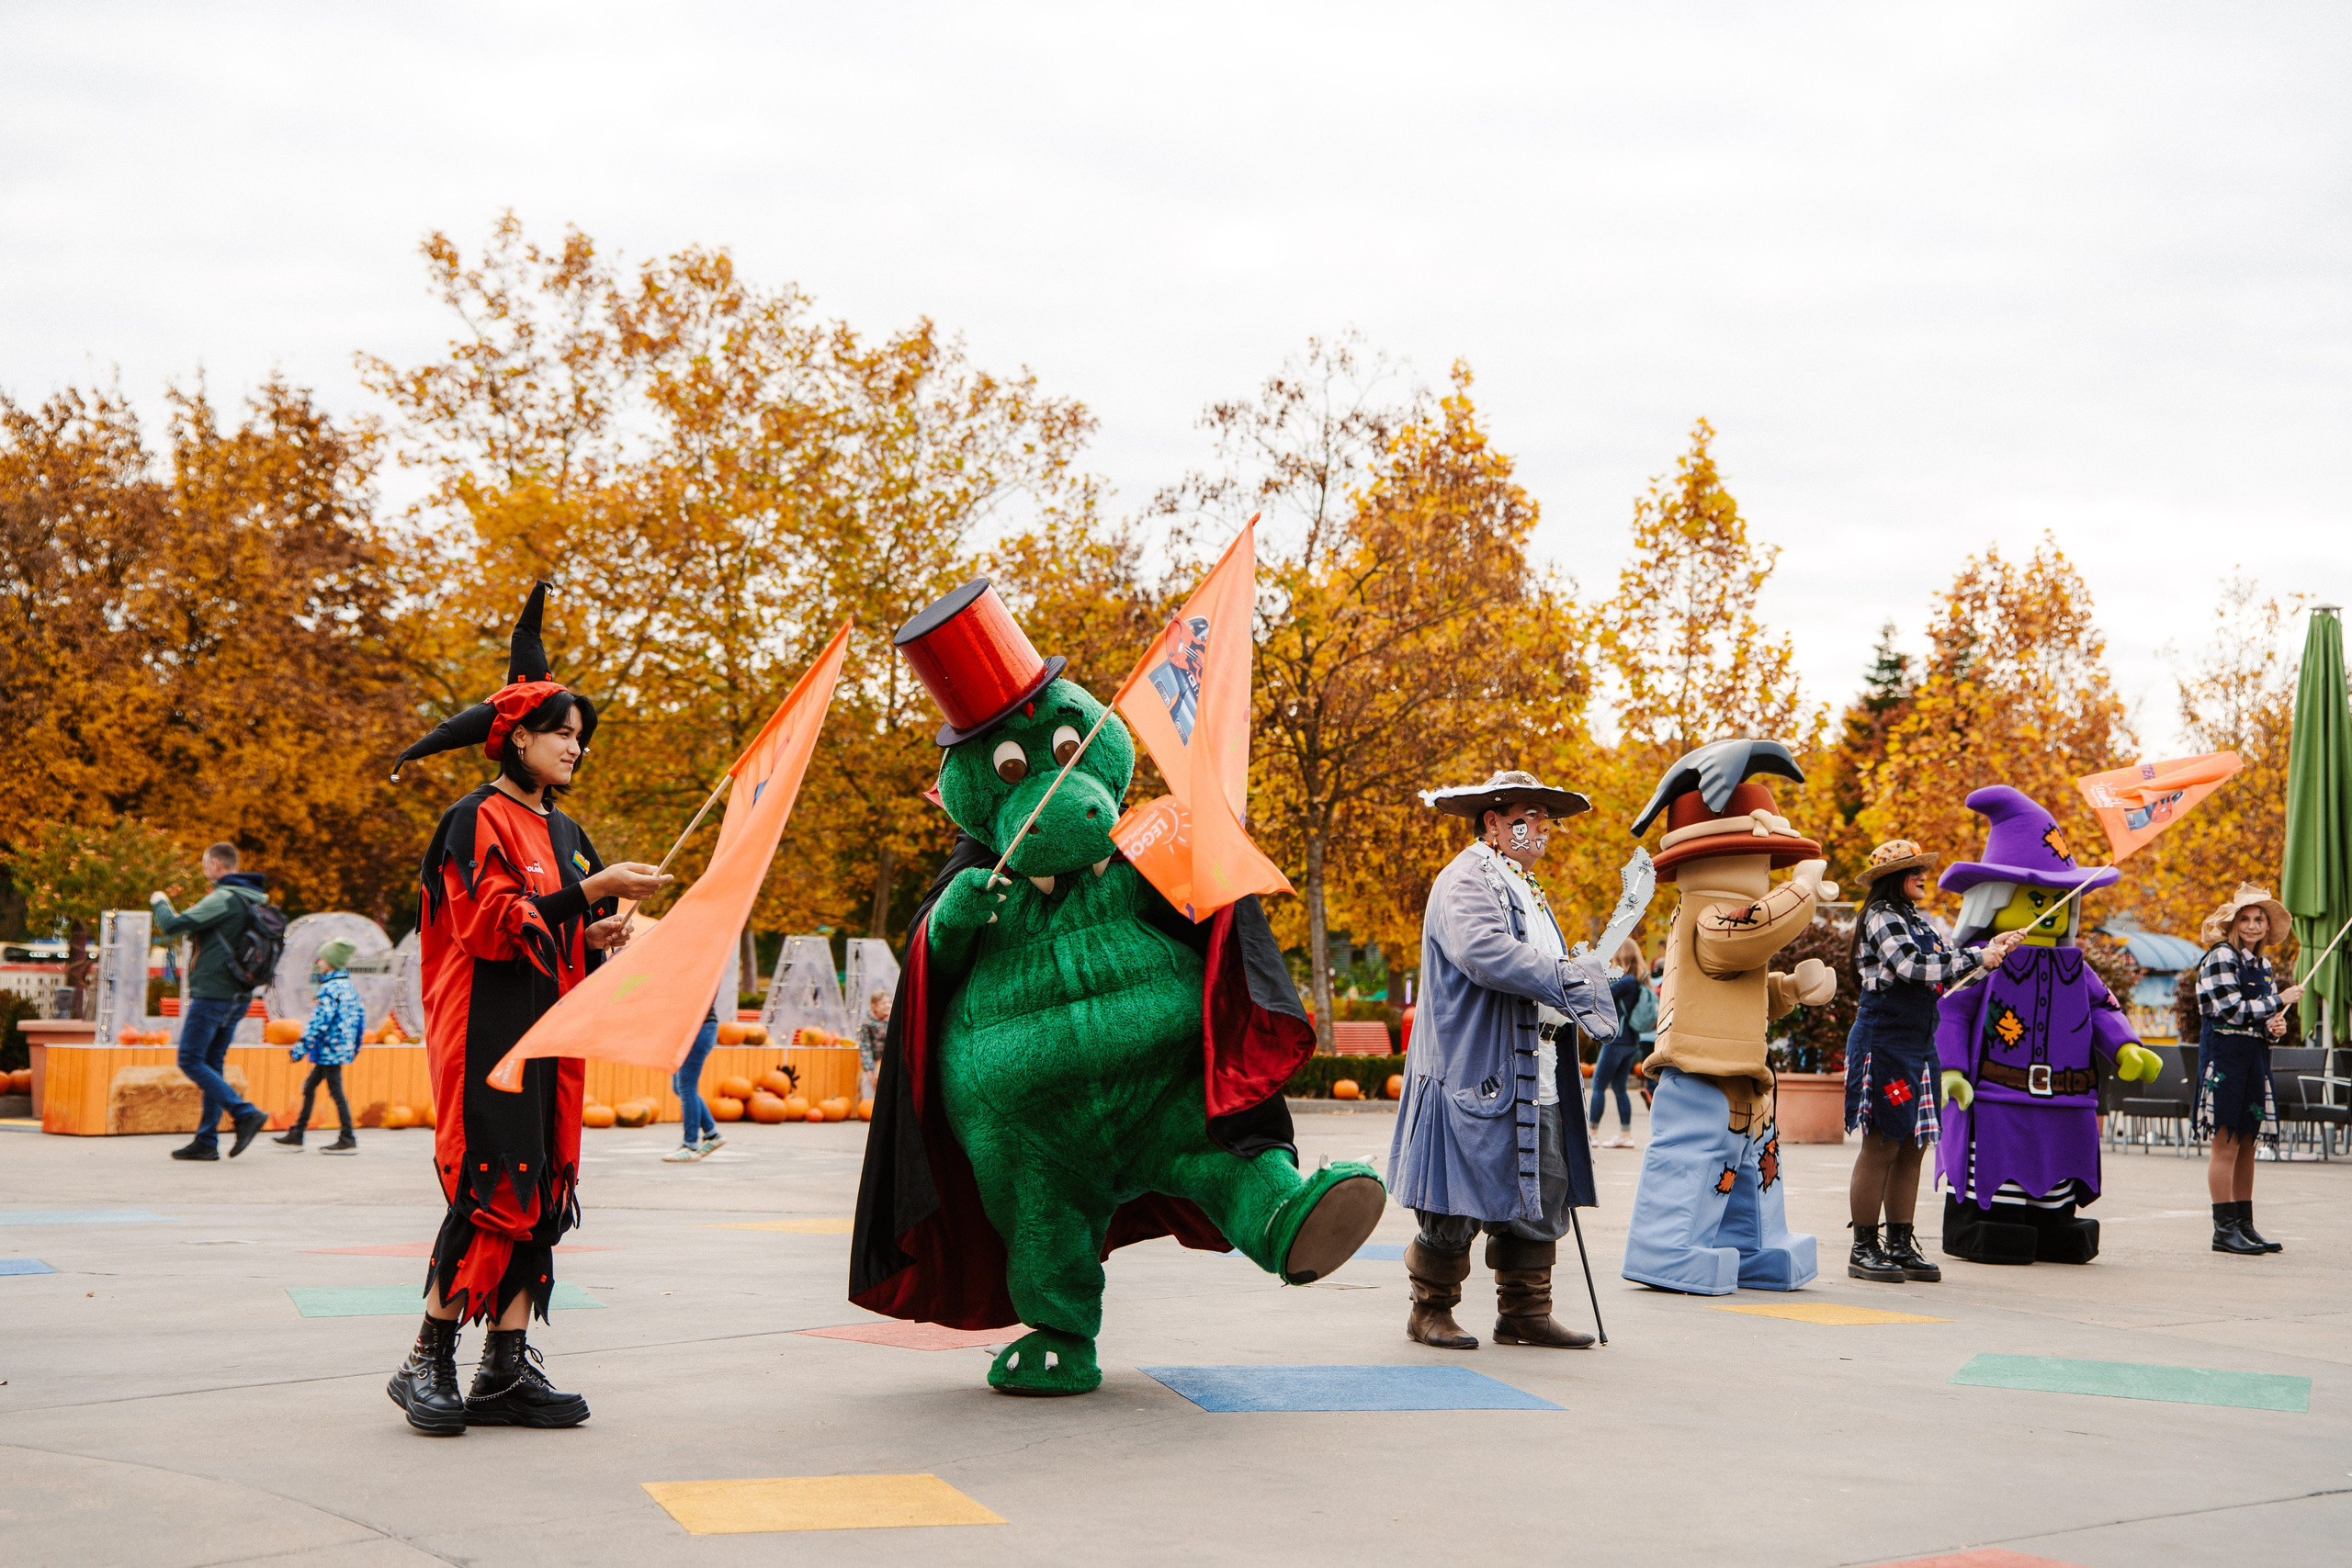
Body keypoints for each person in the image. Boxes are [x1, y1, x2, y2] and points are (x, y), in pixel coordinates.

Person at [381, 582, 670, 1435]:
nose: (575, 747)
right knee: (489, 1185)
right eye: (560, 732)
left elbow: (558, 936)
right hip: (487, 1038)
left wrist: (602, 931)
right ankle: (425, 1359)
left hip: (553, 1036)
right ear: (515, 737)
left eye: (580, 736)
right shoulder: (473, 820)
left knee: (540, 1188)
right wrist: (591, 890)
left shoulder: (571, 831)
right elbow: (487, 926)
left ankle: (504, 1371)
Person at [1390, 769, 1617, 1352]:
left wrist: (1574, 977)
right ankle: (1430, 1309)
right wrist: (1568, 977)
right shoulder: (1467, 878)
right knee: (1458, 1193)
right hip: (1477, 1065)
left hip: (1534, 1065)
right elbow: (1482, 951)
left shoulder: (1522, 884)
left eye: (1548, 817)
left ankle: (1525, 1310)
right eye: (1531, 814)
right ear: (1493, 821)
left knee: (1541, 1188)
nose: (1544, 826)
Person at [1621, 739, 1838, 1296]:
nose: (1766, 868)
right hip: (1698, 1072)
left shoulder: (1726, 919)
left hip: (1738, 1071)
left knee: (1753, 1170)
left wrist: (1786, 989)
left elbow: (1738, 984)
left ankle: (1755, 1246)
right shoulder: (1709, 914)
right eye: (1759, 856)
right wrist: (1803, 892)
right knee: (1694, 1164)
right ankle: (1669, 1247)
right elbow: (1741, 937)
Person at [1932, 787, 2162, 1267]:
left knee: (2059, 1163)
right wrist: (1952, 1070)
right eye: (2035, 898)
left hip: (2066, 1098)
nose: (2049, 909)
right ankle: (1990, 1222)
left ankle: (2053, 1221)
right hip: (1998, 1095)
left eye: (2059, 899)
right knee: (2001, 1168)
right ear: (1995, 901)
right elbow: (1952, 1012)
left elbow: (2103, 1010)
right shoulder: (1983, 963)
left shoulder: (2077, 968)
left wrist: (2127, 1048)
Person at [1840, 840, 2025, 1284]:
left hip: (1919, 1046)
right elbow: (1912, 966)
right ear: (1892, 879)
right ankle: (1864, 1247)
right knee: (1883, 1141)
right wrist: (1977, 955)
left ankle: (1900, 1244)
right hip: (1884, 1044)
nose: (1923, 876)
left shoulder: (1916, 920)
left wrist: (1991, 954)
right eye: (1914, 871)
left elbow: (1947, 973)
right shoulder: (1882, 915)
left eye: (1923, 868)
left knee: (1913, 1144)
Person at [2194, 883, 2301, 1256]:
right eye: (2246, 919)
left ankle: (2244, 1225)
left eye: (2260, 919)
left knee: (2247, 1146)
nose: (2254, 926)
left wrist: (2274, 1026)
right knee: (2225, 1145)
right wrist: (2278, 1000)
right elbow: (2232, 1010)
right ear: (2233, 924)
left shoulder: (2263, 965)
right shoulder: (2221, 957)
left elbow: (2258, 1020)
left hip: (2254, 1060)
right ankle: (2223, 1230)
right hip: (2224, 1060)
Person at [150, 844, 273, 1161]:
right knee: (212, 1063)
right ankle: (206, 1141)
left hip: (213, 994)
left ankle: (244, 1112)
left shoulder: (224, 898)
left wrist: (160, 901)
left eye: (205, 865)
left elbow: (172, 926)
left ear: (217, 864)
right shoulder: (254, 899)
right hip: (240, 994)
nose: (205, 870)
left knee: (190, 1059)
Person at [273, 939, 365, 1153]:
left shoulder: (330, 989)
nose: (318, 962)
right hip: (338, 1048)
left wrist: (300, 1048)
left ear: (332, 962)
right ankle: (298, 1133)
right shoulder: (348, 987)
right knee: (310, 1086)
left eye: (322, 958)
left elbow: (319, 1022)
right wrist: (354, 1046)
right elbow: (360, 1018)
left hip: (329, 1050)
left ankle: (347, 1137)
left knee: (336, 1092)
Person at [1587, 941, 1648, 1149]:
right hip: (1631, 1041)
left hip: (1616, 1040)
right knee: (1619, 1087)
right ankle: (1625, 1134)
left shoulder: (1626, 982)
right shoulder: (1638, 981)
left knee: (1598, 1085)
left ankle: (1592, 1134)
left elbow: (1601, 995)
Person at [665, 998, 724, 1163]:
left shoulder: (701, 971)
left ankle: (690, 1145)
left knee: (686, 1087)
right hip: (690, 1029)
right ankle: (712, 1134)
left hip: (699, 1028)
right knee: (679, 1087)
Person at [856, 987, 890, 1104]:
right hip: (875, 1060)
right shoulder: (867, 1023)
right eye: (883, 1003)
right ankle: (868, 1106)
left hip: (889, 1060)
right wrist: (869, 1069)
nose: (887, 1005)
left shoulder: (894, 1020)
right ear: (874, 1005)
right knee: (867, 1079)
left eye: (889, 1002)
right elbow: (866, 1047)